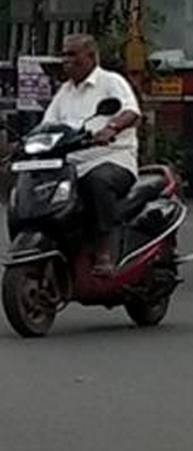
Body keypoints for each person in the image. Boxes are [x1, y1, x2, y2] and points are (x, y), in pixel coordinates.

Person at [42, 34, 141, 276]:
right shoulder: (64, 92)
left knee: (97, 181)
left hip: (112, 159)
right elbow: (46, 126)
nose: (66, 60)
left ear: (91, 56)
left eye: (72, 55)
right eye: (64, 55)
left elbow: (132, 112)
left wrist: (111, 128)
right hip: (71, 165)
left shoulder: (111, 82)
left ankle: (104, 250)